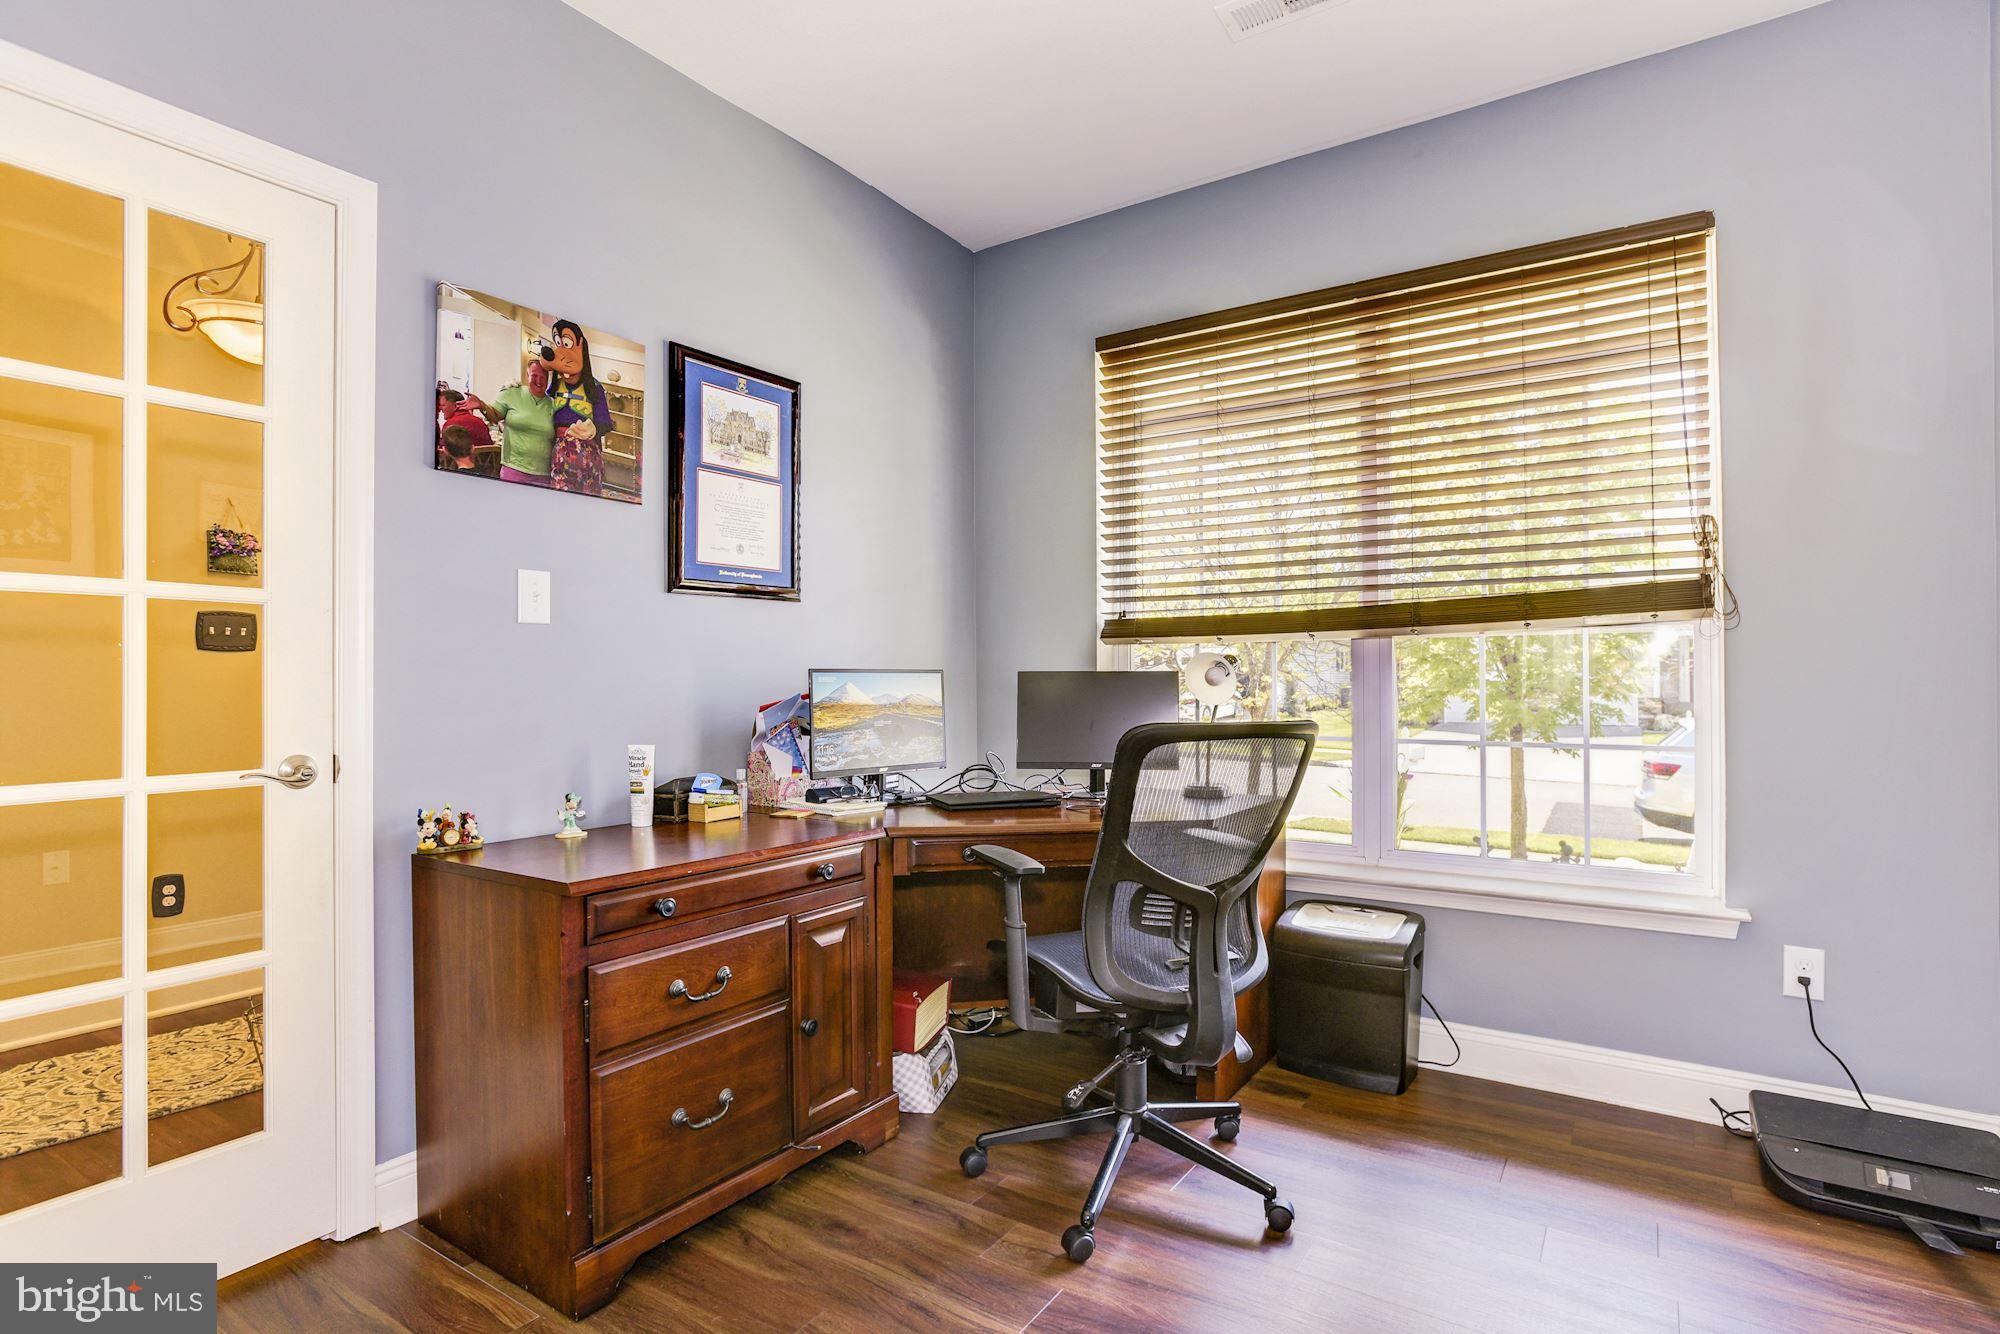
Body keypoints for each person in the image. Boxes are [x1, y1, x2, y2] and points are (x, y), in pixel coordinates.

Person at [545, 318, 611, 496]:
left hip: (588, 456)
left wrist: (593, 429)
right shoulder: (555, 387)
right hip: (560, 456)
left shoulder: (594, 387)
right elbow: (542, 406)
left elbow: (605, 423)